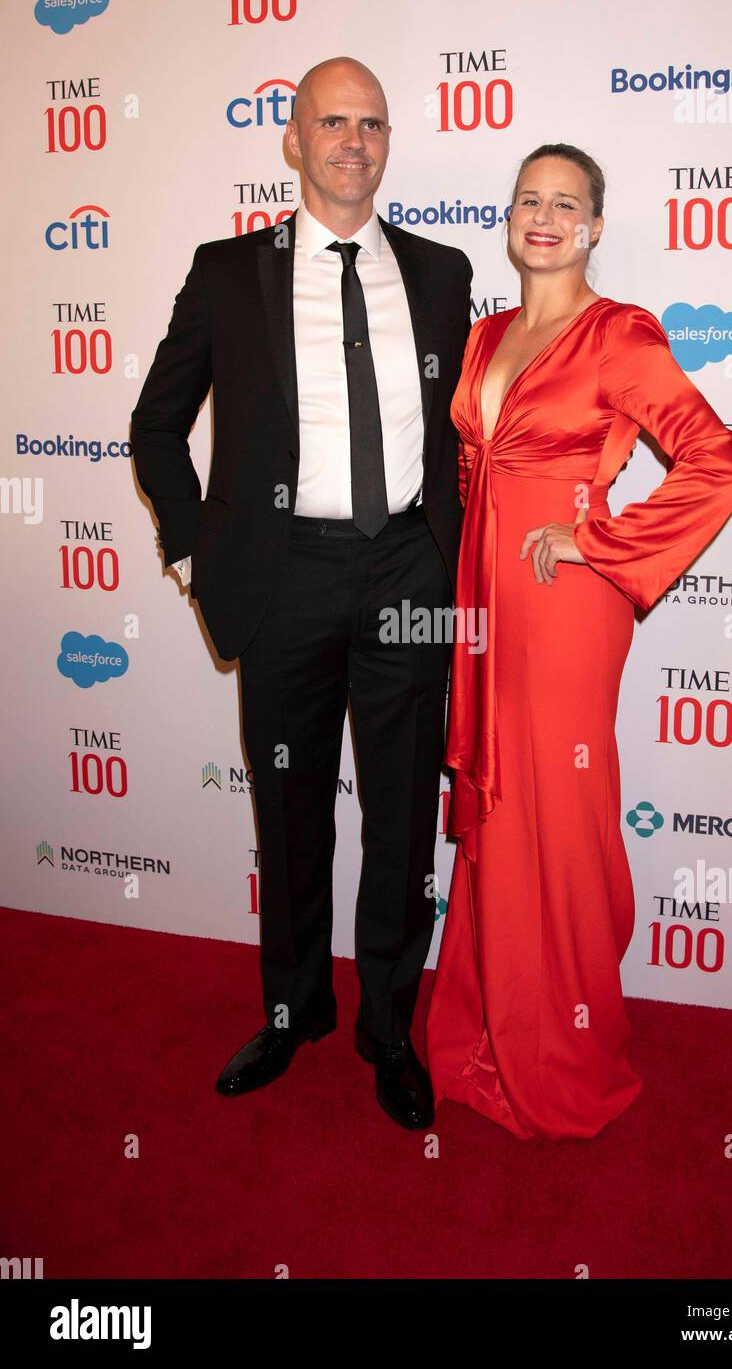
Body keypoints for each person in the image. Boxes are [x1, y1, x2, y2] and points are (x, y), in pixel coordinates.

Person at [130, 58, 472, 1130]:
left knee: (404, 817)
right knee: (287, 813)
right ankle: (292, 1013)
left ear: (387, 140)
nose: (353, 142)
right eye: (331, 121)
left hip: (410, 573)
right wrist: (197, 559)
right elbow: (155, 426)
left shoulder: (440, 271)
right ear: (292, 139)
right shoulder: (229, 272)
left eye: (371, 123)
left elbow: (475, 435)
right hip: (284, 581)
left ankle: (385, 1027)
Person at [425, 143, 732, 1140]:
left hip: (563, 598)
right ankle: (488, 1025)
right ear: (509, 216)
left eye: (566, 203)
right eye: (530, 199)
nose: (545, 216)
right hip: (482, 597)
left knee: (555, 810)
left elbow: (713, 463)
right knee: (498, 800)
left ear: (596, 226)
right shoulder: (485, 338)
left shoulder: (618, 336)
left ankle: (559, 1045)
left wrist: (598, 537)